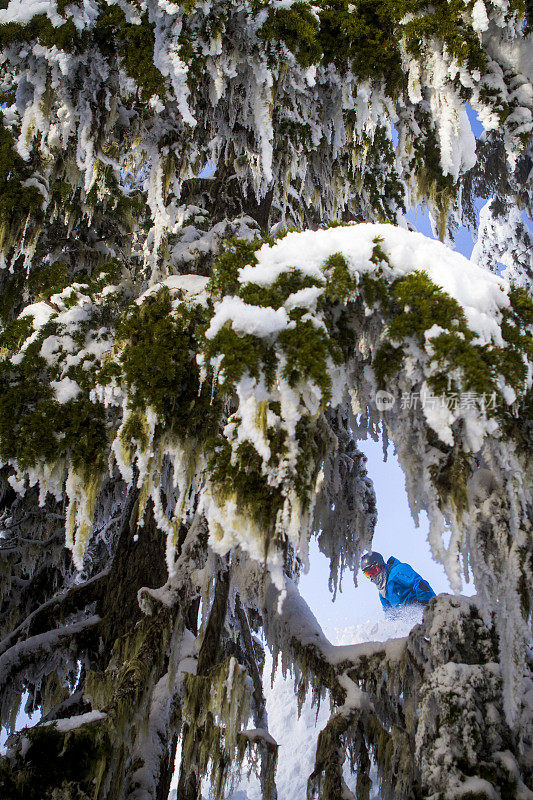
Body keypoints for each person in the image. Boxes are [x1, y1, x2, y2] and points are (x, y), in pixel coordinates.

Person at [360, 551, 436, 612]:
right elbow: (390, 616)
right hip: (411, 621)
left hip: (426, 609)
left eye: (373, 571)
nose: (372, 576)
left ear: (380, 565)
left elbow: (421, 585)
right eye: (368, 574)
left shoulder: (398, 571)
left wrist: (426, 607)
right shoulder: (383, 594)